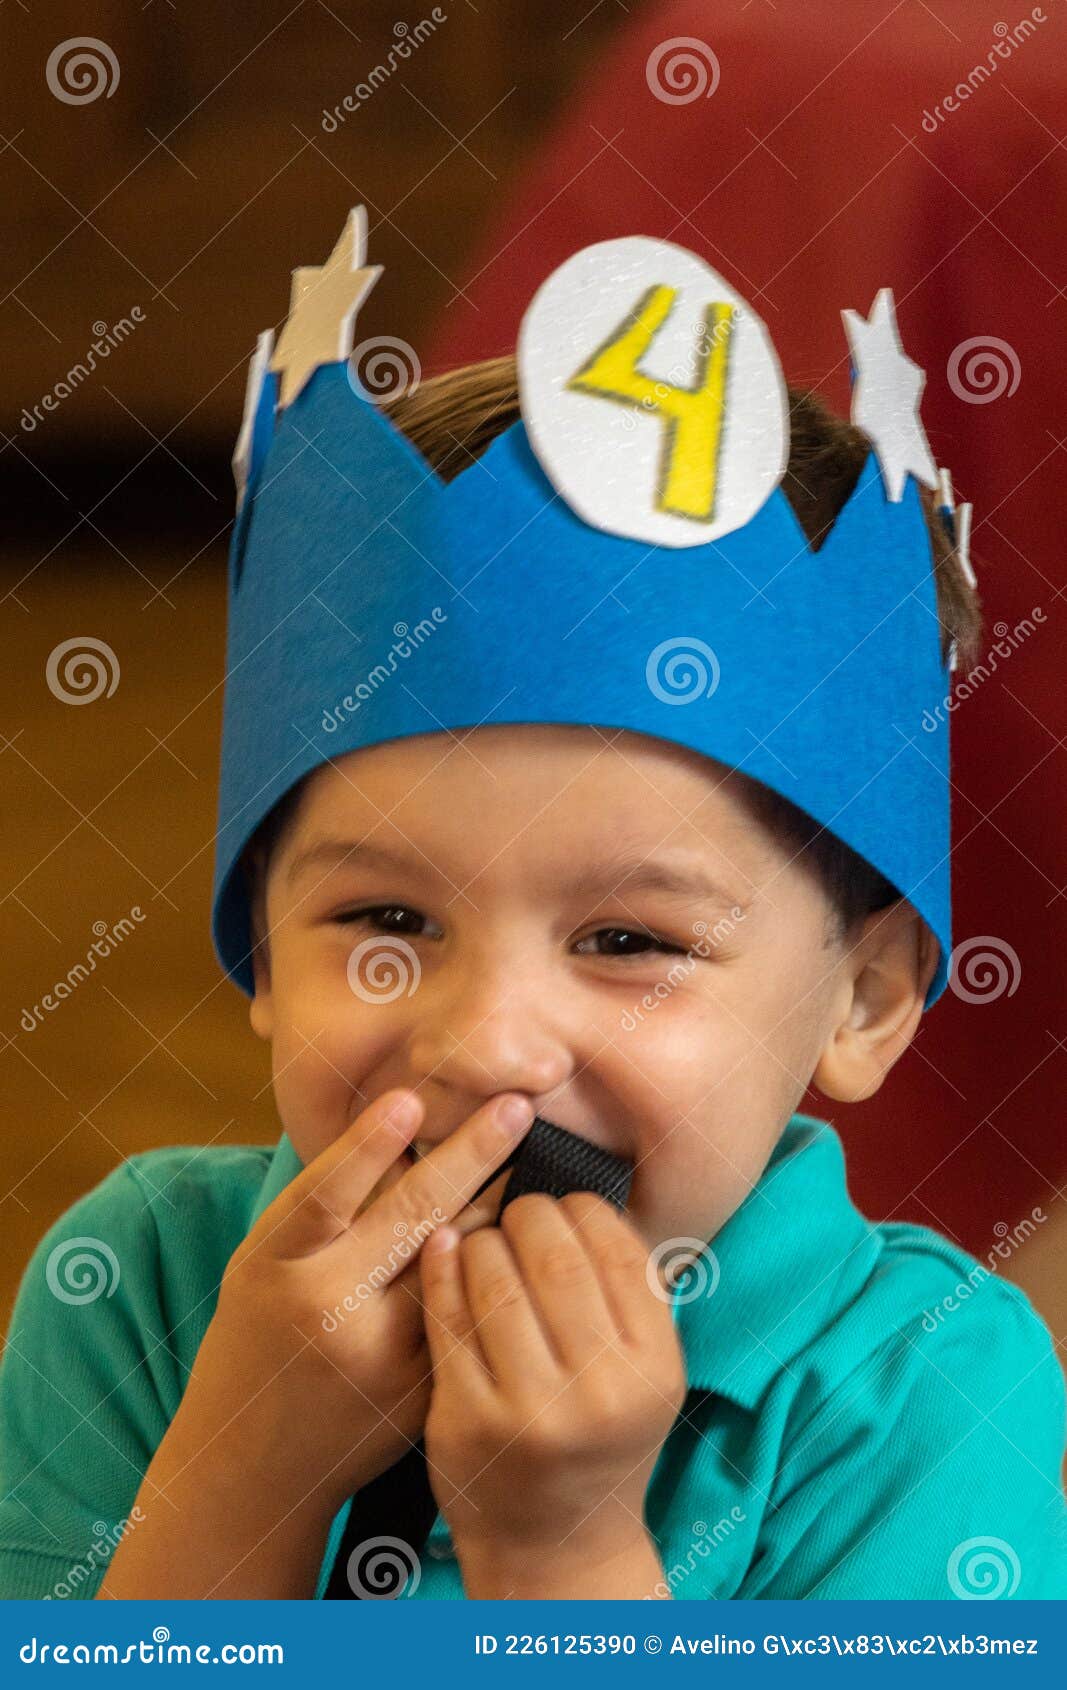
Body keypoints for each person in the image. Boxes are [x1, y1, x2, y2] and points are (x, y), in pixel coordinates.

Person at [1, 215, 1063, 1601]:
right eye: (386, 920)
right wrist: (244, 1467)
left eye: (630, 940)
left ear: (863, 996)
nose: (490, 1041)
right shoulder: (135, 1287)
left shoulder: (932, 1384)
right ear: (260, 935)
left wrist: (561, 1547)